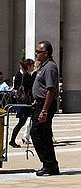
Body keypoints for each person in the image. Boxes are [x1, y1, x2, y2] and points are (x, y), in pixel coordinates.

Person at [30, 40, 60, 176]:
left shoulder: (50, 67)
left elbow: (50, 90)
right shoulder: (43, 66)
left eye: (38, 52)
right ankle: (50, 164)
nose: (36, 54)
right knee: (44, 134)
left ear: (46, 53)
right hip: (40, 103)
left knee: (37, 132)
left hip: (45, 104)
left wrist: (44, 110)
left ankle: (49, 164)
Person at [9, 59, 36, 148]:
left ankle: (14, 140)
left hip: (22, 101)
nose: (33, 67)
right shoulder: (26, 76)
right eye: (32, 65)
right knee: (23, 122)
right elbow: (30, 89)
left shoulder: (21, 74)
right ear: (28, 66)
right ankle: (12, 140)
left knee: (24, 122)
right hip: (25, 102)